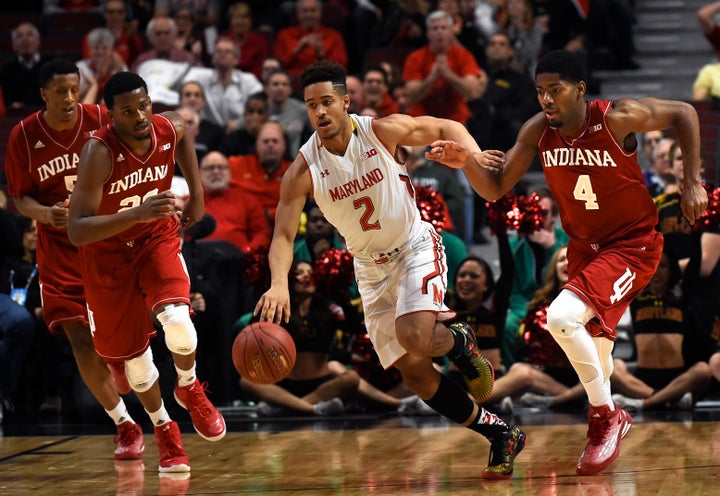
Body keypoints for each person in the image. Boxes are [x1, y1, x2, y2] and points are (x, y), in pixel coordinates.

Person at [427, 49, 708, 476]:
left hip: (631, 246)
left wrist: (690, 182)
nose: (546, 100)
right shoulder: (538, 130)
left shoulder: (617, 117)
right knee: (599, 357)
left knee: (559, 318)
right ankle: (611, 413)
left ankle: (605, 418)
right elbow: (495, 187)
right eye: (540, 92)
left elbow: (684, 112)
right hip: (583, 250)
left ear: (579, 89)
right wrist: (466, 162)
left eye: (555, 90)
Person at [254, 60, 526, 479]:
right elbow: (284, 236)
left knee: (414, 336)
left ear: (346, 101)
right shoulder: (303, 170)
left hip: (413, 247)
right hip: (370, 270)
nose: (320, 112)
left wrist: (470, 157)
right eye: (311, 105)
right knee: (414, 374)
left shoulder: (382, 130)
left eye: (327, 101)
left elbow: (448, 125)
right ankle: (499, 433)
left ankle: (458, 340)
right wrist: (278, 285)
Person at [66, 71, 226, 472]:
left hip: (156, 238)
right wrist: (136, 212)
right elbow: (76, 229)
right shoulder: (98, 152)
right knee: (136, 367)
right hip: (107, 257)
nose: (139, 116)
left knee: (179, 323)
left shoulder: (167, 126)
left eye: (144, 106)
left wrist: (198, 194)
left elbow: (183, 132)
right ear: (110, 115)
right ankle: (163, 428)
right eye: (127, 111)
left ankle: (189, 387)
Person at [4, 59, 142, 459]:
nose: (69, 98)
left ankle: (121, 364)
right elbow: (19, 199)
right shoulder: (24, 136)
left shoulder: (102, 117)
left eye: (74, 89)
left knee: (114, 336)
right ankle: (124, 424)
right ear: (43, 94)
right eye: (60, 91)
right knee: (76, 335)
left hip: (104, 238)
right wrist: (46, 214)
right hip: (58, 248)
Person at [610, 250, 712, 412]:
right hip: (643, 378)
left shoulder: (682, 298)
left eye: (662, 266)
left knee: (703, 370)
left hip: (677, 378)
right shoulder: (637, 296)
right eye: (653, 266)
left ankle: (644, 404)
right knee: (612, 369)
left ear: (671, 270)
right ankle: (668, 399)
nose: (656, 272)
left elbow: (697, 264)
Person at [503, 187, 569, 366]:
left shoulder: (567, 241)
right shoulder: (514, 245)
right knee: (507, 326)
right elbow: (512, 290)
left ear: (554, 216)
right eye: (532, 213)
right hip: (525, 306)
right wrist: (530, 312)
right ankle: (513, 374)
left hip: (561, 303)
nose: (537, 219)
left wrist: (553, 247)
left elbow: (573, 278)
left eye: (544, 213)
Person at [402, 10, 485, 124]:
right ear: (428, 33)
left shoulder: (464, 55)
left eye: (444, 28)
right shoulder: (415, 58)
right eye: (435, 28)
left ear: (451, 32)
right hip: (422, 119)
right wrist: (431, 78)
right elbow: (410, 97)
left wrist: (449, 75)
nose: (439, 32)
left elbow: (472, 92)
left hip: (456, 120)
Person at [200, 151, 271, 253]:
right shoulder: (188, 203)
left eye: (221, 167)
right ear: (199, 172)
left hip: (239, 262)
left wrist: (247, 252)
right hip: (198, 263)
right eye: (210, 168)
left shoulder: (248, 200)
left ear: (229, 171)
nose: (216, 171)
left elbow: (262, 234)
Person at [273, 0, 348, 79]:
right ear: (298, 14)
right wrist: (297, 49)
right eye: (304, 11)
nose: (309, 14)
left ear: (320, 13)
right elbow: (277, 66)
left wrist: (322, 55)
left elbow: (341, 68)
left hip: (324, 81)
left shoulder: (334, 36)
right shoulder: (284, 35)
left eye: (313, 10)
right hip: (292, 82)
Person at [0, 22, 54, 111]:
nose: (25, 39)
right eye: (19, 36)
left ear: (38, 41)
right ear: (14, 45)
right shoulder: (6, 72)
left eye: (29, 34)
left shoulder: (51, 66)